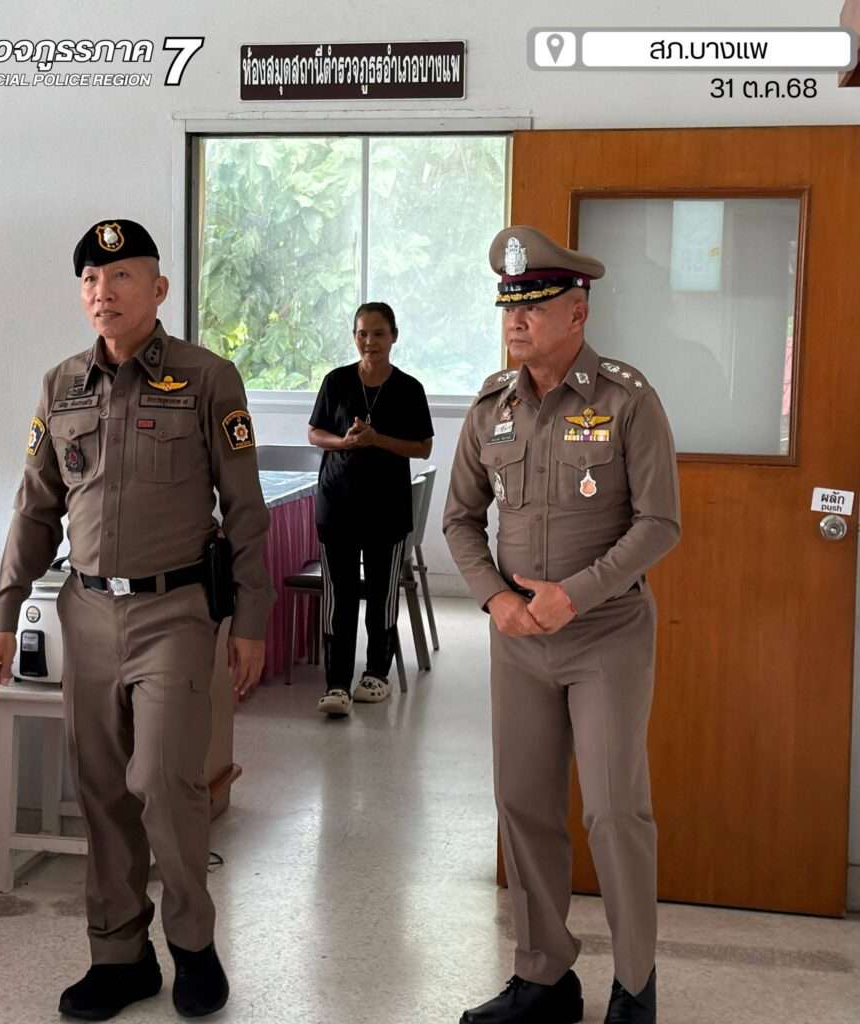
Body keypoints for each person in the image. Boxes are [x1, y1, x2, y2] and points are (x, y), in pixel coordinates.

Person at [0, 219, 274, 1021]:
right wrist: (4, 614)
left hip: (174, 611)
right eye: (89, 280)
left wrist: (251, 619)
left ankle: (193, 945)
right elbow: (34, 509)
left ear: (158, 289)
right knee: (103, 789)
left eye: (120, 277)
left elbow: (245, 511)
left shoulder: (207, 379)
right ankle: (119, 955)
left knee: (165, 783)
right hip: (87, 611)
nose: (101, 292)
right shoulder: (61, 386)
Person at [443, 226, 681, 1024]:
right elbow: (459, 520)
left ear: (577, 312)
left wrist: (573, 595)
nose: (515, 320)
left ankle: (635, 986)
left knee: (614, 811)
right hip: (519, 642)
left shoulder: (626, 399)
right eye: (508, 305)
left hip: (605, 636)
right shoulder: (492, 406)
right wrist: (496, 599)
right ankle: (545, 977)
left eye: (534, 305)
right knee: (523, 806)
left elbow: (659, 522)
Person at [307, 302, 434, 716]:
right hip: (337, 506)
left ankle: (376, 673)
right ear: (354, 336)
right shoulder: (337, 381)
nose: (369, 341)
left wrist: (377, 440)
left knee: (381, 595)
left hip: (386, 510)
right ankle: (336, 683)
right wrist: (343, 443)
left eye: (378, 333)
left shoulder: (409, 388)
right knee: (339, 598)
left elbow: (423, 447)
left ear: (393, 336)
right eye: (362, 333)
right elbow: (314, 432)